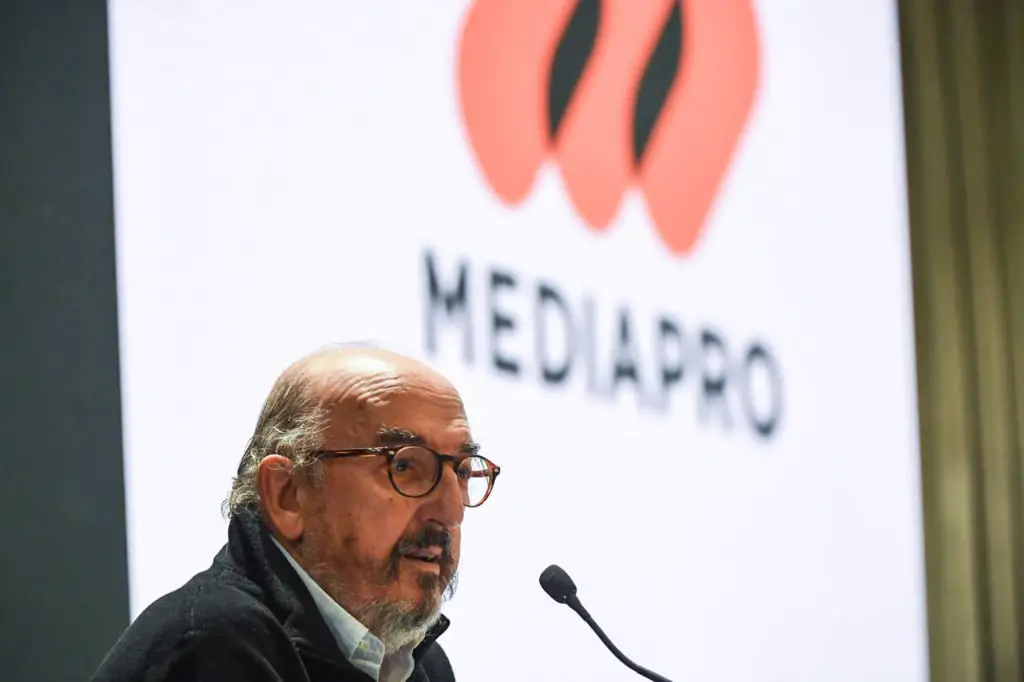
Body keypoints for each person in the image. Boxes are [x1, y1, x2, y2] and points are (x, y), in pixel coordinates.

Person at [92, 344, 501, 682]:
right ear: (288, 494)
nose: (451, 511)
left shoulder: (419, 666)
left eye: (462, 472)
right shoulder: (213, 648)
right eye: (405, 466)